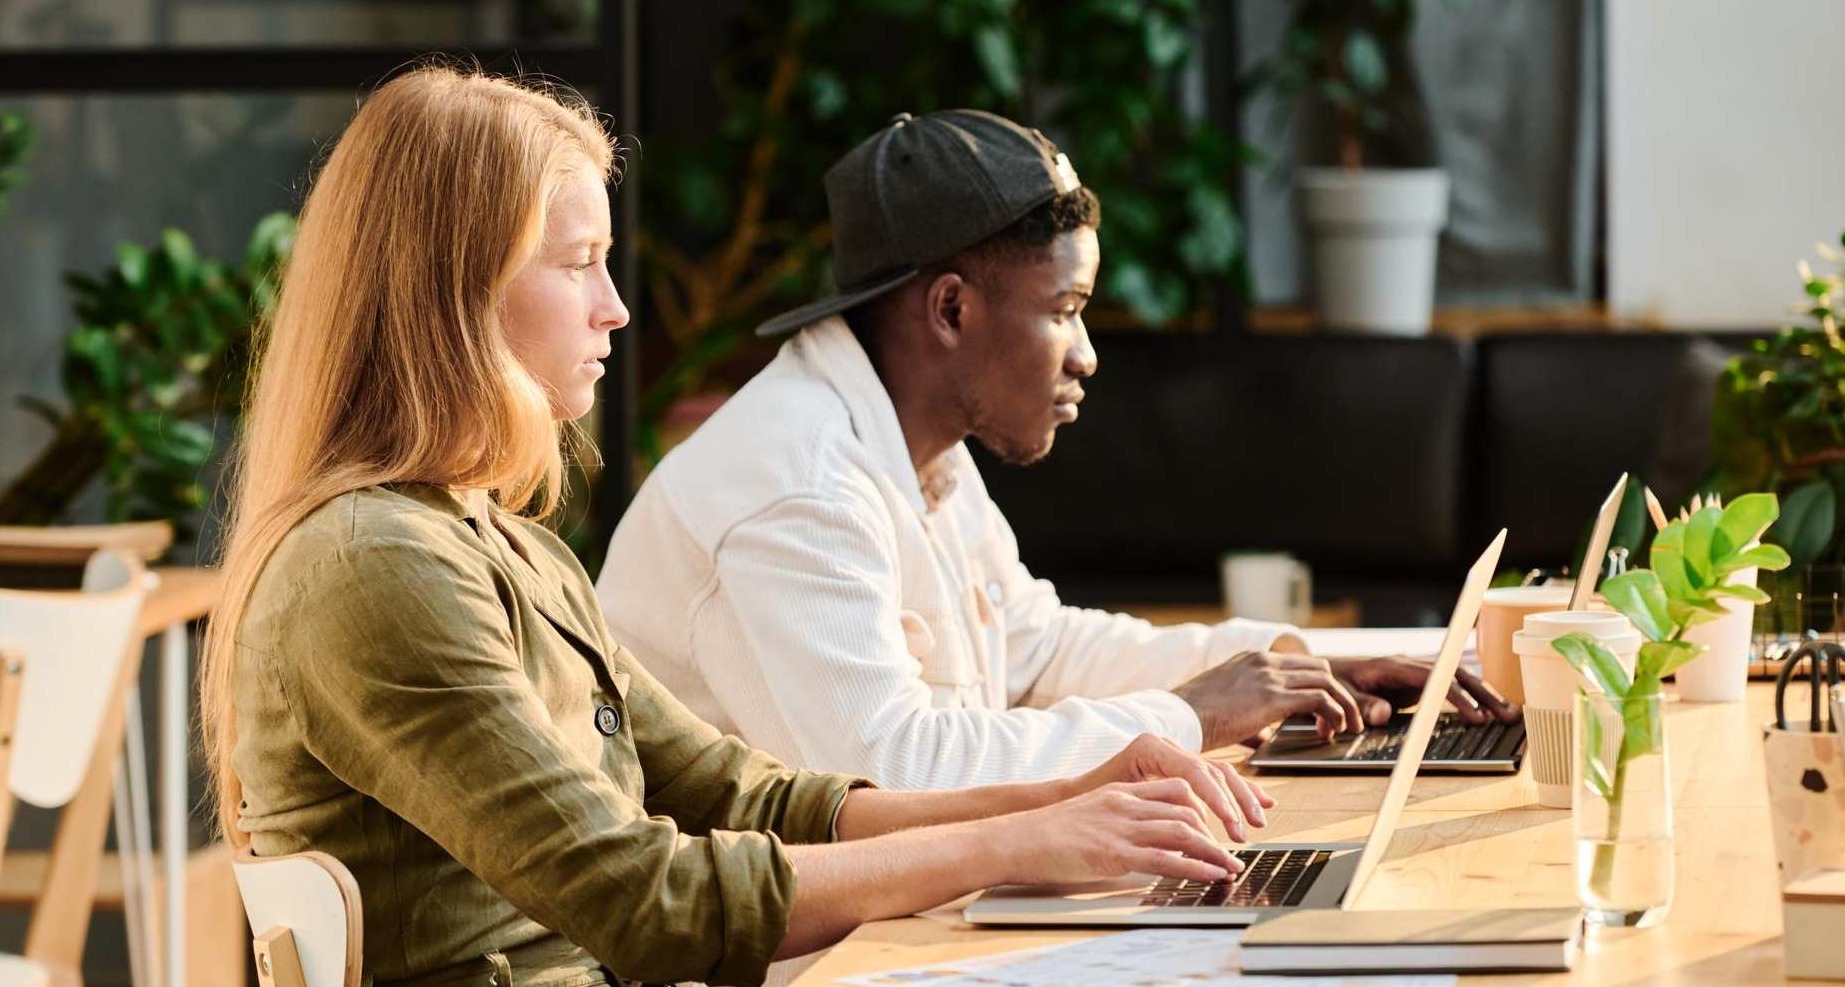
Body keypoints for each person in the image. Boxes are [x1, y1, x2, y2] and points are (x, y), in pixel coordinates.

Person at [198, 67, 1275, 987]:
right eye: (578, 262)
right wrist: (1020, 838)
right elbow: (640, 895)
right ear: (451, 292)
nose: (616, 306)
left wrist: (1070, 799)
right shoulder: (374, 567)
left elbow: (747, 795)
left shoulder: (498, 542)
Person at [597, 109, 1516, 789]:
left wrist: (1291, 663)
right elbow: (891, 770)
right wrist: (1189, 715)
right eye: (1065, 312)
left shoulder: (917, 446)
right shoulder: (795, 485)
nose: (1086, 356)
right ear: (950, 308)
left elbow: (1036, 651)